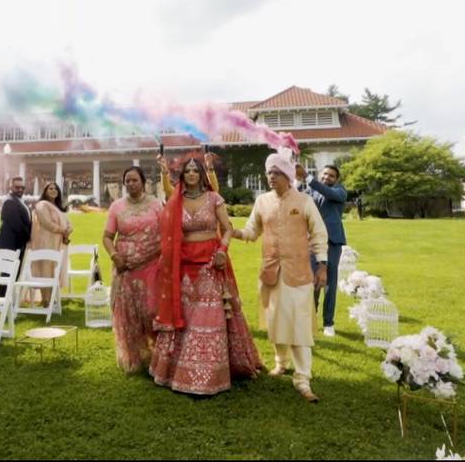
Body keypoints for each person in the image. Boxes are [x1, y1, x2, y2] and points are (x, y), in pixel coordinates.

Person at [151, 154, 261, 394]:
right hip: (184, 266)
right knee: (185, 316)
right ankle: (179, 369)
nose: (191, 174)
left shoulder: (214, 198)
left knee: (207, 317)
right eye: (187, 171)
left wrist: (223, 249)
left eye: (195, 171)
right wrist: (163, 171)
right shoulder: (176, 199)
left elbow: (227, 229)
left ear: (202, 175)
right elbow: (168, 196)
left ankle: (210, 374)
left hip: (210, 263)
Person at [233, 149, 328, 402]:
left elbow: (319, 234)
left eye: (276, 172)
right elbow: (252, 231)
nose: (271, 177)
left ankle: (303, 379)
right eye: (268, 173)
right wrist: (232, 232)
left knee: (299, 326)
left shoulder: (304, 201)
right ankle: (280, 362)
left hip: (298, 274)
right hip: (271, 273)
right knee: (275, 322)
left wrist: (322, 265)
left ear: (287, 175)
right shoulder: (262, 201)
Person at [102, 166, 163, 373]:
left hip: (152, 266)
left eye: (134, 180)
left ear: (143, 182)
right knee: (129, 314)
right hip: (125, 269)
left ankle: (158, 356)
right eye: (127, 181)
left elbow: (167, 233)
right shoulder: (117, 207)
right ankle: (135, 357)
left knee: (152, 310)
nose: (130, 184)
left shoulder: (156, 205)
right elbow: (107, 237)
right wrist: (115, 256)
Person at [296, 163, 347, 337]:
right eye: (324, 174)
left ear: (337, 179)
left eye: (331, 175)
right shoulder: (311, 191)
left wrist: (307, 177)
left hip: (332, 243)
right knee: (313, 283)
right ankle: (311, 320)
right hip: (313, 243)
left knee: (330, 285)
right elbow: (296, 200)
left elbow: (329, 193)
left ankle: (328, 324)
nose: (327, 177)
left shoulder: (340, 191)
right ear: (320, 175)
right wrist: (297, 180)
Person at [24, 182, 73, 307]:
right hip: (45, 241)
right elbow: (46, 223)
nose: (54, 190)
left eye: (56, 189)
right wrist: (63, 230)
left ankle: (51, 299)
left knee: (54, 268)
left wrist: (68, 230)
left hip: (57, 242)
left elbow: (68, 223)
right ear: (45, 191)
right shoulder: (41, 205)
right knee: (45, 268)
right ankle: (46, 300)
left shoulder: (57, 207)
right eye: (50, 188)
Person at [0, 176, 31, 298]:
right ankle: (2, 298)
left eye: (22, 187)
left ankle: (8, 298)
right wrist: (29, 237)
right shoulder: (9, 201)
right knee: (7, 272)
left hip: (17, 242)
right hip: (10, 243)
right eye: (17, 187)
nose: (20, 189)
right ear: (11, 187)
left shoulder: (19, 200)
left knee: (13, 272)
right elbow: (17, 225)